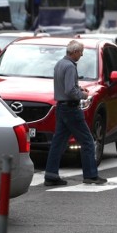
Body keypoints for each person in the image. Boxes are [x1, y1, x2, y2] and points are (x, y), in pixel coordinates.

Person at [44, 40, 107, 186]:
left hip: (61, 107)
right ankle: (91, 175)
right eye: (80, 52)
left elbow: (67, 87)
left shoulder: (59, 64)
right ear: (74, 52)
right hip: (71, 108)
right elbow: (70, 91)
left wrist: (79, 89)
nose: (81, 54)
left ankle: (50, 175)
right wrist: (84, 95)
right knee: (87, 141)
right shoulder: (70, 66)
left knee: (58, 143)